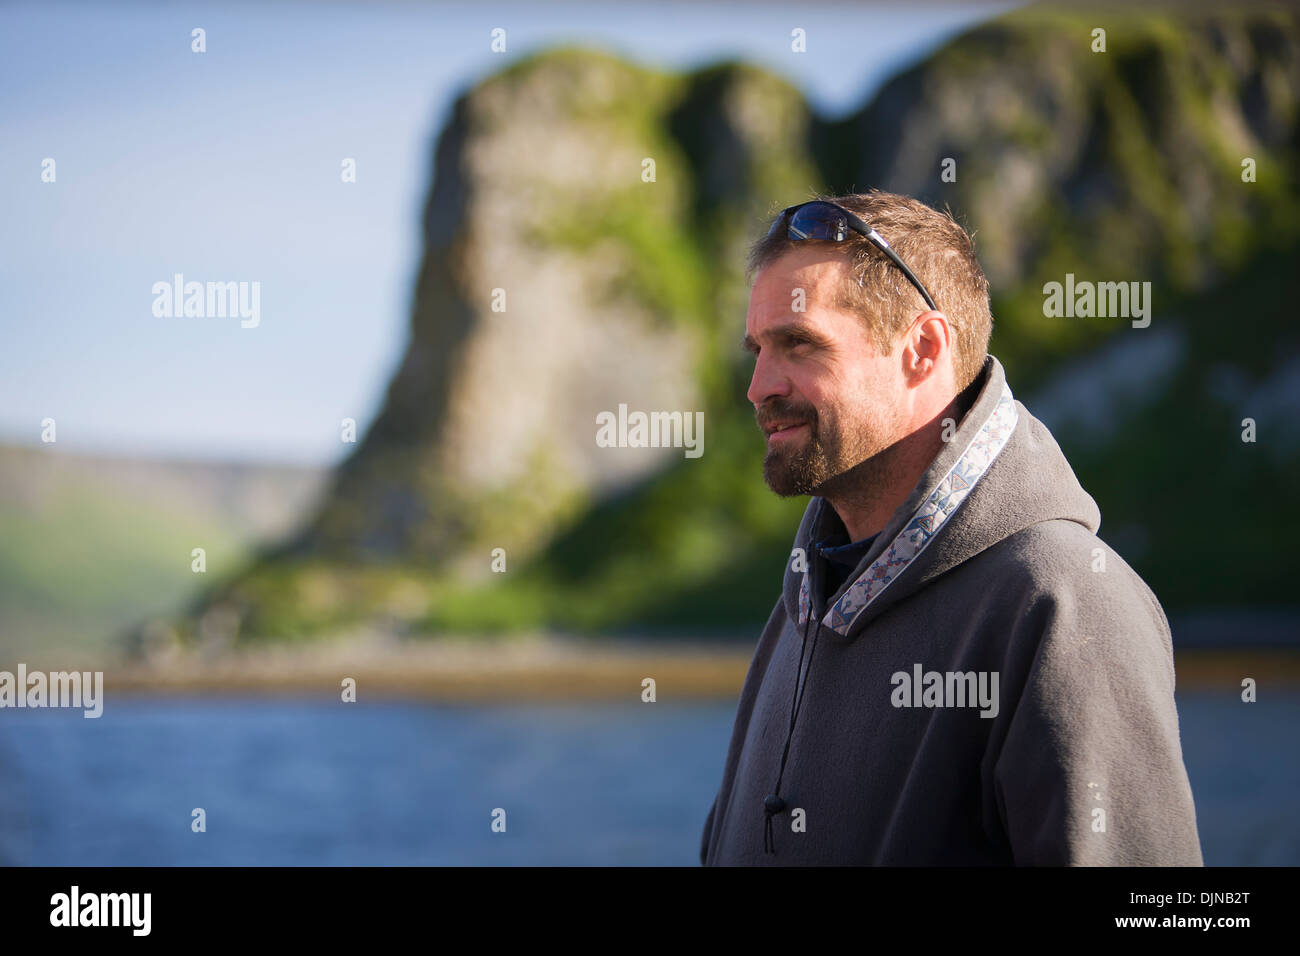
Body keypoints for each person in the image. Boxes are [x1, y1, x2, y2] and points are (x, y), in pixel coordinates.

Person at [699, 190, 1203, 865]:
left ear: (923, 349)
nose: (759, 385)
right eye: (757, 348)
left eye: (797, 344)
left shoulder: (1066, 604)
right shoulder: (807, 598)